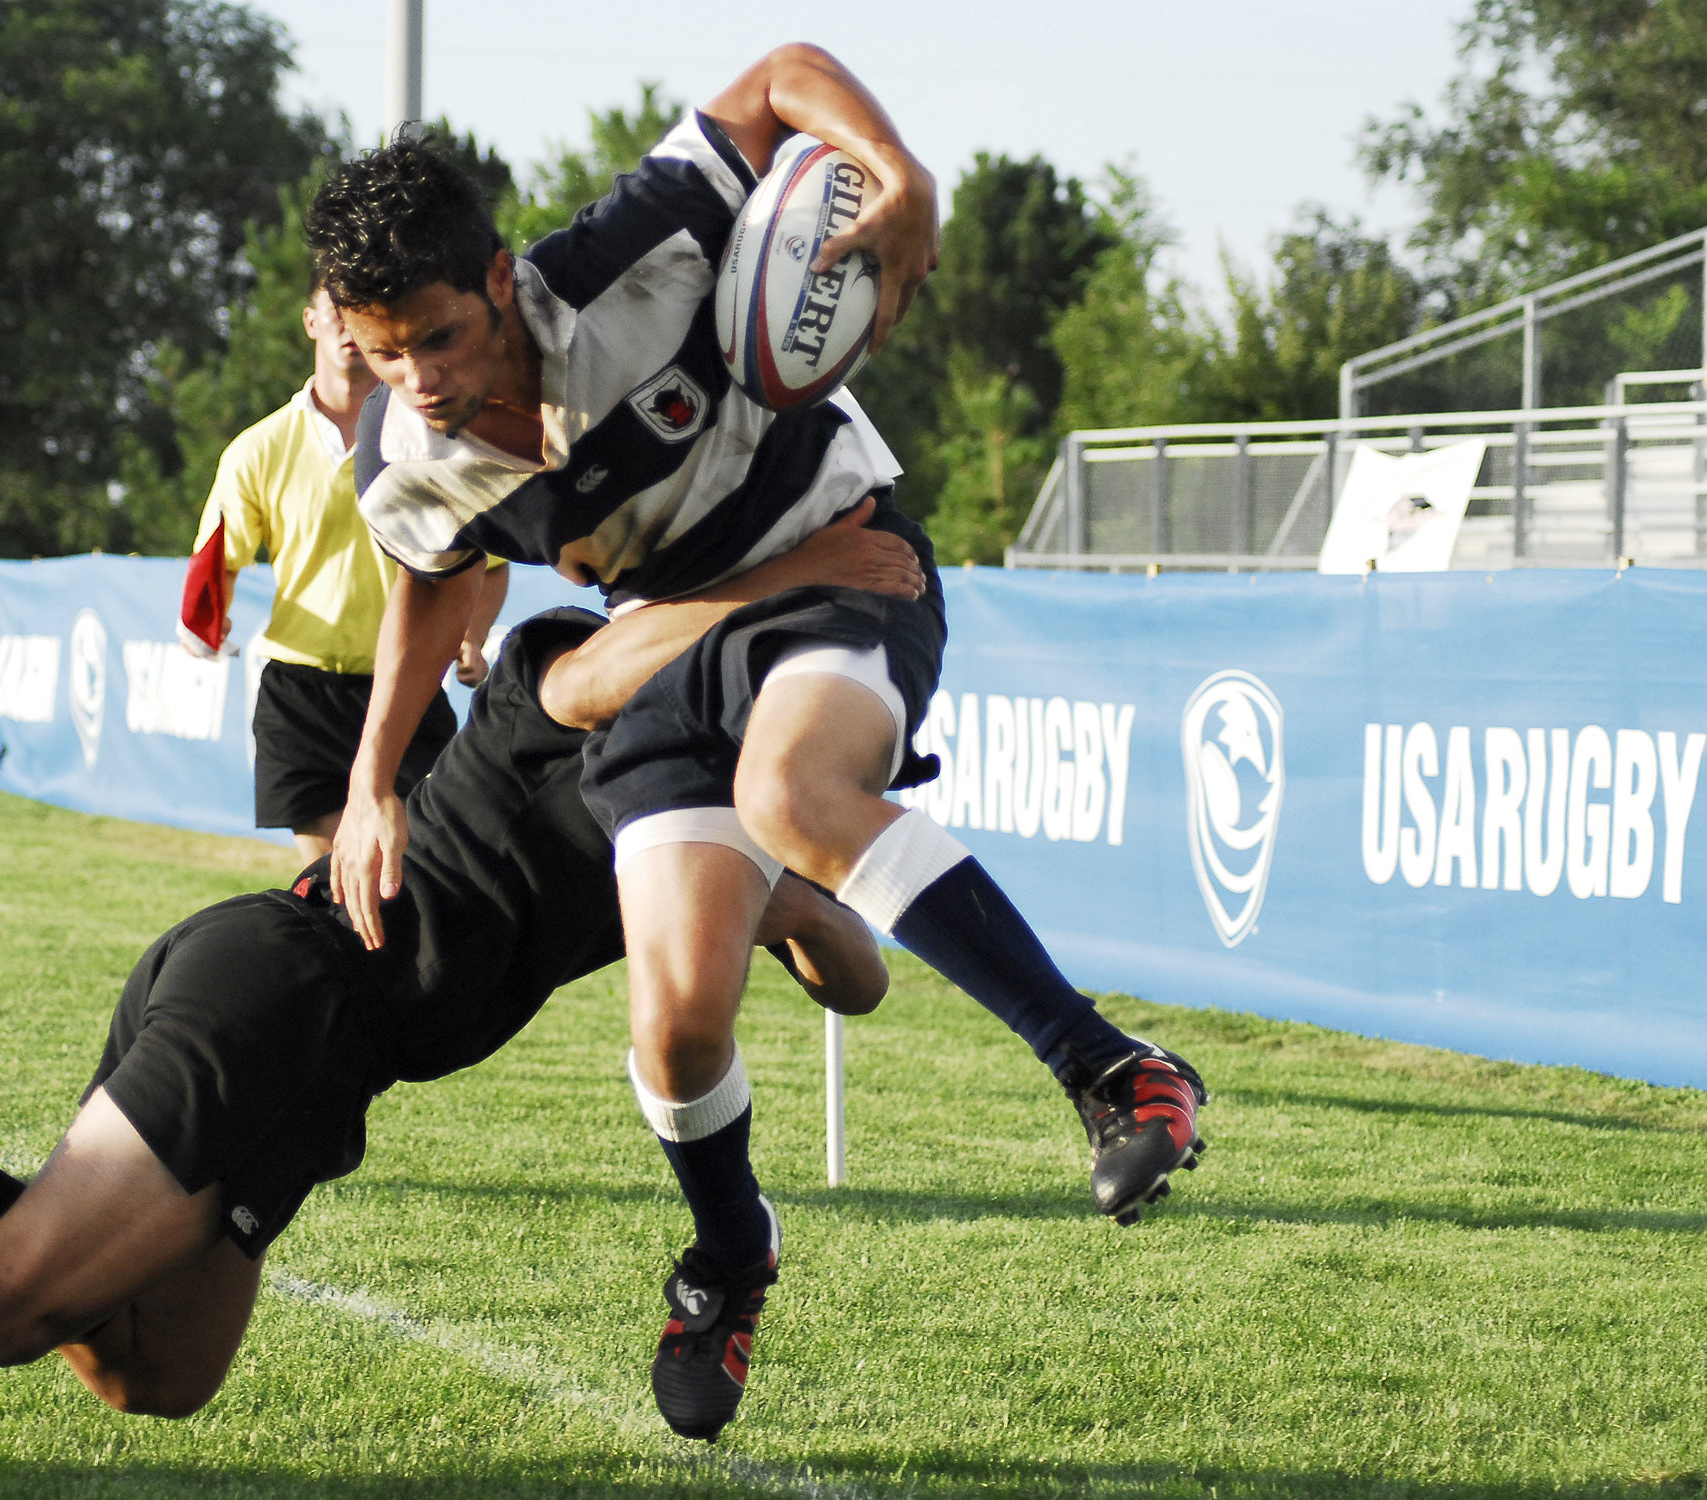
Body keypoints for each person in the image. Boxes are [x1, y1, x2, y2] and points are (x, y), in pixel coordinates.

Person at [0, 525, 916, 1474]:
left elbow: (856, 979)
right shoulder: (568, 671)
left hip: (299, 1044)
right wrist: (791, 585)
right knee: (6, 1301)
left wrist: (788, 849)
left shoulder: (696, 825)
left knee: (152, 1374)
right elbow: (601, 660)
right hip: (287, 1008)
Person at [306, 43, 1206, 1439]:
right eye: (377, 351)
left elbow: (783, 73)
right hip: (675, 646)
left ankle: (1111, 1071)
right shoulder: (403, 458)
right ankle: (731, 1260)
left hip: (841, 560)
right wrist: (374, 782)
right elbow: (428, 579)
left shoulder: (629, 253)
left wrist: (899, 175)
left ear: (496, 281)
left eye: (435, 336)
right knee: (672, 1033)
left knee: (793, 789)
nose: (414, 380)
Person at [179, 282, 508, 863]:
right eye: (335, 314)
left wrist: (471, 637)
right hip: (300, 694)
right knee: (331, 879)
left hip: (406, 681)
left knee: (413, 874)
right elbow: (217, 558)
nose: (346, 329)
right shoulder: (258, 449)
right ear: (310, 322)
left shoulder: (432, 441)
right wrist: (208, 619)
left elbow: (488, 561)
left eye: (362, 318)